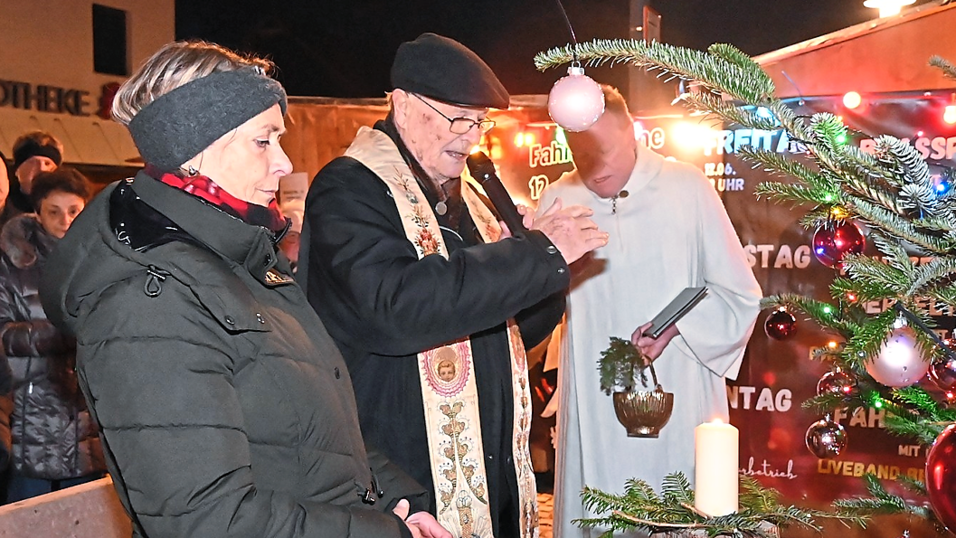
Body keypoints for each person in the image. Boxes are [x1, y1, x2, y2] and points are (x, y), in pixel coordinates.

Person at [38, 40, 449, 538]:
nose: (283, 162)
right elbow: (206, 518)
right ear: (192, 150)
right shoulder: (150, 301)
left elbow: (319, 437)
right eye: (263, 141)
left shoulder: (247, 267)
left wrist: (396, 502)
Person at [299, 32, 607, 538]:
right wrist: (528, 258)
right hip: (404, 476)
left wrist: (544, 272)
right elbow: (396, 307)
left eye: (479, 122)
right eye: (457, 118)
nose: (470, 137)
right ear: (401, 102)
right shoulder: (351, 188)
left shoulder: (472, 200)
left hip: (497, 471)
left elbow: (512, 335)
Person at [538, 85, 762, 537]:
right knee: (592, 505)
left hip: (679, 393)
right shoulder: (558, 201)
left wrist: (677, 327)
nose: (594, 167)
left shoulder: (686, 187)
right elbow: (533, 305)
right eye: (581, 153)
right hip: (592, 403)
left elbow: (738, 294)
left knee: (672, 500)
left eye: (604, 150)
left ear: (632, 132)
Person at [0, 168, 104, 503]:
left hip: (87, 413)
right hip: (31, 414)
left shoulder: (101, 260)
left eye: (74, 211)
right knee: (28, 514)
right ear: (38, 212)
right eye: (54, 212)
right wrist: (62, 334)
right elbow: (3, 334)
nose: (65, 220)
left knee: (87, 515)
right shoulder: (12, 264)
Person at [8, 131, 63, 218]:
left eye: (47, 163)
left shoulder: (68, 207)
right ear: (17, 170)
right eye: (33, 163)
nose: (42, 169)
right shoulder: (4, 205)